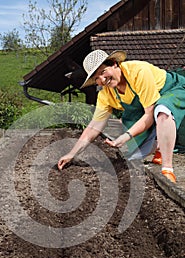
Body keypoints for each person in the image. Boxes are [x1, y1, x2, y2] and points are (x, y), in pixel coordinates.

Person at [58, 49, 185, 183]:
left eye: (103, 72)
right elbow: (93, 127)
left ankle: (167, 170)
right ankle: (160, 146)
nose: (102, 80)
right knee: (133, 156)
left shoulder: (138, 72)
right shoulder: (106, 94)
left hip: (173, 90)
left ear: (114, 64)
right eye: (97, 79)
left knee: (162, 110)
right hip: (147, 106)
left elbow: (149, 115)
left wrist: (126, 136)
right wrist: (71, 154)